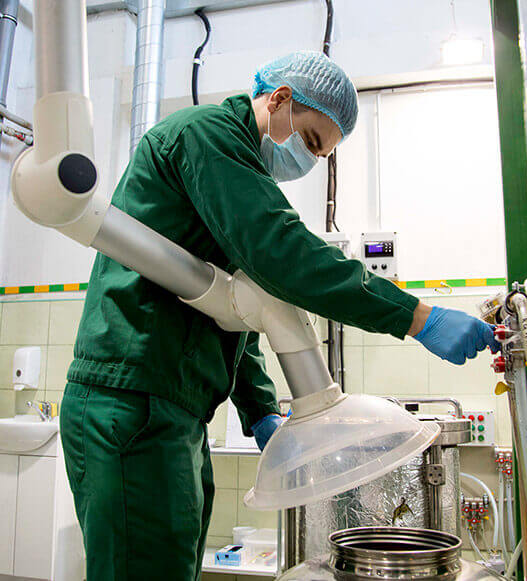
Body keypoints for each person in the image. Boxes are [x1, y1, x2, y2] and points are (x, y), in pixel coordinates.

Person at [60, 50, 499, 581]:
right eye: (311, 141)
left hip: (170, 407)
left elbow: (231, 306)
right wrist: (417, 316)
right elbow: (281, 255)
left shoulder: (230, 163)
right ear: (282, 99)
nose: (308, 161)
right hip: (131, 399)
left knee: (171, 563)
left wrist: (261, 408)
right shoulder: (208, 135)